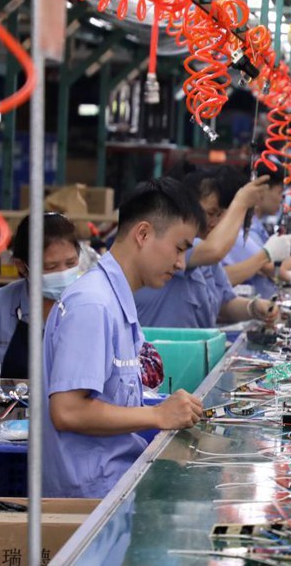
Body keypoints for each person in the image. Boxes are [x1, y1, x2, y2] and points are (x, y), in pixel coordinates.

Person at [42, 178, 205, 498]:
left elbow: (109, 399)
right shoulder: (93, 304)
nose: (181, 263)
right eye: (179, 248)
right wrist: (158, 415)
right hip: (90, 503)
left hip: (111, 487)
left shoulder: (116, 301)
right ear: (143, 234)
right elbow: (68, 411)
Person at [134, 168, 278, 328]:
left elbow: (225, 303)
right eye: (210, 213)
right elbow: (214, 250)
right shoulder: (176, 247)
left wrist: (253, 308)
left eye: (220, 215)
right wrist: (242, 202)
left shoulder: (209, 262)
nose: (215, 223)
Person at [0, 213, 81, 381]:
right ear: (22, 265)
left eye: (71, 263)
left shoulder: (94, 305)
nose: (63, 273)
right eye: (50, 266)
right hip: (8, 407)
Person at [222, 166, 291, 297]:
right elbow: (273, 269)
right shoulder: (244, 231)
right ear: (262, 191)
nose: (281, 200)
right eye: (279, 193)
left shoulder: (256, 226)